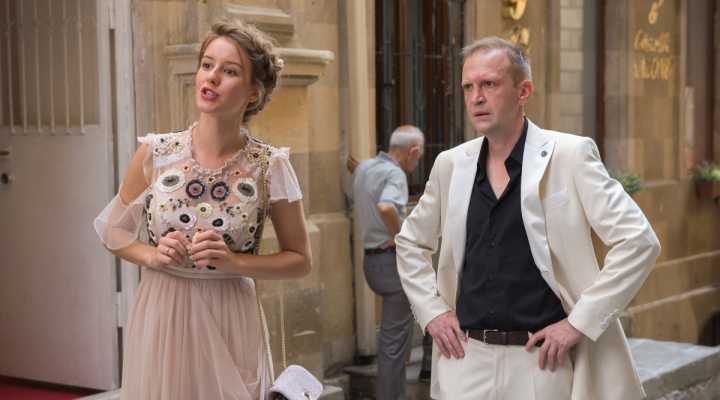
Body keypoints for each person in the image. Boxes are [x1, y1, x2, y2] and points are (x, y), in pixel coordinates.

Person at [395, 36, 661, 399]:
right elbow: (410, 241)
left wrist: (577, 324)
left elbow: (639, 241)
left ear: (524, 91)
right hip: (465, 360)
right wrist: (433, 313)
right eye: (468, 87)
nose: (476, 97)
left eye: (489, 84)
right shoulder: (450, 164)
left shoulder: (570, 155)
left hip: (541, 363)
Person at [94, 22, 311, 400]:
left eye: (229, 71)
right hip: (163, 310)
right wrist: (152, 255)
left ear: (253, 92)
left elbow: (300, 260)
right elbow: (113, 231)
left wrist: (236, 262)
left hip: (230, 313)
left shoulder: (269, 165)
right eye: (207, 65)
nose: (211, 77)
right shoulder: (155, 153)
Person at [351, 125, 425, 400]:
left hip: (371, 263)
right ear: (413, 151)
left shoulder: (364, 168)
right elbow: (386, 206)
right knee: (394, 343)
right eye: (418, 157)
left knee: (393, 340)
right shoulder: (395, 174)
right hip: (391, 262)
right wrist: (400, 236)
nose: (416, 164)